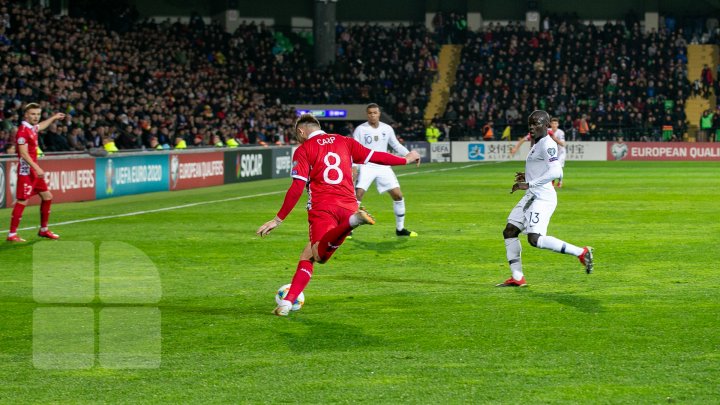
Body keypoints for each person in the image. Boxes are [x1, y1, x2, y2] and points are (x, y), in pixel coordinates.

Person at [256, 114, 421, 316]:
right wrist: (405, 160)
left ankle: (352, 223)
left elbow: (297, 187)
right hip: (349, 205)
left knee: (318, 255)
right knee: (308, 253)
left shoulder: (304, 149)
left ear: (301, 131)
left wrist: (278, 219)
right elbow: (376, 157)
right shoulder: (345, 141)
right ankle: (287, 303)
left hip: (323, 208)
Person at [497, 110, 593, 287]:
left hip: (542, 197)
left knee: (535, 239)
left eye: (537, 124)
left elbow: (557, 171)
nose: (532, 127)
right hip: (532, 195)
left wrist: (529, 184)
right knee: (509, 231)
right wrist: (527, 176)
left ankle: (581, 252)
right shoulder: (538, 143)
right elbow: (541, 168)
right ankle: (517, 278)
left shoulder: (547, 143)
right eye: (530, 124)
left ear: (547, 125)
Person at [352, 103, 418, 237]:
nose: (372, 115)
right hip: (367, 165)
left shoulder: (387, 129)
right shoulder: (360, 130)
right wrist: (354, 167)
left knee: (398, 195)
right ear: (367, 114)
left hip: (383, 166)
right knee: (358, 195)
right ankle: (348, 229)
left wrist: (410, 155)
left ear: (379, 114)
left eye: (375, 112)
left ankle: (400, 229)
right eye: (370, 113)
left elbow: (395, 145)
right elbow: (354, 149)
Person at [6, 103, 65, 242]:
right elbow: (23, 153)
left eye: (38, 114)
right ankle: (11, 235)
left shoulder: (32, 128)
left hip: (33, 170)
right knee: (22, 200)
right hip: (27, 170)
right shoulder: (22, 131)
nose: (36, 117)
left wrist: (54, 117)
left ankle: (44, 230)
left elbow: (41, 126)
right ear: (26, 115)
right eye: (33, 114)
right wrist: (37, 168)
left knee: (47, 196)